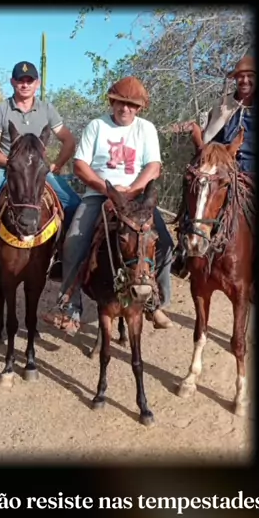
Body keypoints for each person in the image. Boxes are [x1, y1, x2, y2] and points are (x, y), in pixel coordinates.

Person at [41, 76, 175, 336]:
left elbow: (153, 167)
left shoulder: (146, 129)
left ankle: (155, 303)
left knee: (165, 243)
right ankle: (69, 307)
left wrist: (132, 191)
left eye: (132, 105)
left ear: (139, 108)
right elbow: (80, 166)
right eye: (120, 103)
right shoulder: (97, 126)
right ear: (112, 102)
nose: (125, 108)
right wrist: (108, 190)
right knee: (74, 241)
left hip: (137, 198)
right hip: (98, 195)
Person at [0, 61, 80, 288]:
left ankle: (61, 259)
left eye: (29, 81)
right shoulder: (1, 109)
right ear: (13, 82)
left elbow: (68, 140)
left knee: (73, 205)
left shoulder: (47, 109)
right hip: (7, 169)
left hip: (38, 171)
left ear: (36, 83)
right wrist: (14, 164)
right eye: (20, 80)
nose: (25, 84)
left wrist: (57, 164)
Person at [171, 53, 256, 277]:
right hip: (222, 166)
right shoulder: (223, 105)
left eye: (250, 76)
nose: (244, 80)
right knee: (195, 185)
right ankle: (183, 251)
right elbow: (210, 138)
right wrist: (198, 137)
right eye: (240, 76)